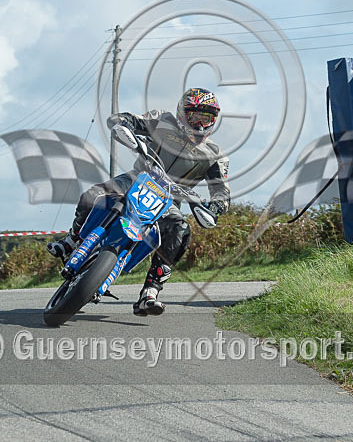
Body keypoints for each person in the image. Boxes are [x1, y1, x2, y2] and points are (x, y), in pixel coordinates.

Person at [47, 88, 230, 316]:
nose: (201, 124)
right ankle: (72, 240)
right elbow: (131, 120)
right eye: (196, 116)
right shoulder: (163, 120)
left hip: (169, 200)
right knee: (93, 195)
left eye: (207, 118)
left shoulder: (215, 154)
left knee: (180, 231)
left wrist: (216, 206)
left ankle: (150, 292)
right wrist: (123, 123)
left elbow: (221, 190)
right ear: (182, 113)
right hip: (137, 178)